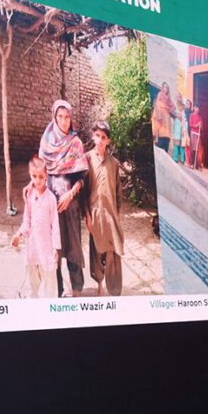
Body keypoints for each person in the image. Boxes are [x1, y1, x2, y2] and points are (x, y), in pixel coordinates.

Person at [37, 99, 88, 297]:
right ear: (54, 117)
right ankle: (56, 291)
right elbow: (40, 172)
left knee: (74, 245)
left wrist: (70, 194)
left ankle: (76, 290)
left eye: (67, 117)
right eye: (60, 117)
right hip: (51, 205)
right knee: (54, 247)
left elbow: (81, 177)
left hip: (71, 203)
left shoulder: (76, 143)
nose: (64, 121)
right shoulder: (46, 141)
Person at [11, 155, 61, 298]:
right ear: (30, 175)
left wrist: (55, 248)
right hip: (32, 247)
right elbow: (27, 220)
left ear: (46, 176)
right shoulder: (29, 196)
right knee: (31, 286)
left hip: (46, 249)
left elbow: (55, 225)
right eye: (34, 176)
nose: (37, 180)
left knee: (50, 287)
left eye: (40, 176)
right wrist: (18, 235)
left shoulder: (51, 198)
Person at [84, 121, 124, 296]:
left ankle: (114, 289)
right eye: (97, 136)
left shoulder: (114, 163)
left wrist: (118, 214)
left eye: (103, 137)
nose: (99, 140)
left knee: (113, 251)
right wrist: (87, 215)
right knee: (96, 249)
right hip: (94, 213)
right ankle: (99, 285)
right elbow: (84, 191)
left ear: (108, 141)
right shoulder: (86, 159)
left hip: (110, 215)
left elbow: (118, 192)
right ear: (93, 136)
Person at [151, 82, 175, 153]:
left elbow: (172, 107)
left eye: (167, 88)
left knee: (167, 139)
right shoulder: (160, 95)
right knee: (161, 138)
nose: (166, 89)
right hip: (161, 118)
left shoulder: (169, 99)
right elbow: (158, 105)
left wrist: (171, 109)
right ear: (162, 88)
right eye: (164, 87)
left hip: (167, 120)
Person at [189, 102, 204, 170]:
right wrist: (196, 125)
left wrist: (200, 126)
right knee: (192, 149)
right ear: (194, 108)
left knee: (198, 150)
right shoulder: (191, 115)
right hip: (193, 133)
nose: (197, 109)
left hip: (198, 134)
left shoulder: (200, 117)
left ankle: (197, 165)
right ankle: (192, 164)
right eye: (196, 107)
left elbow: (202, 127)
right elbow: (190, 124)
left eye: (198, 108)